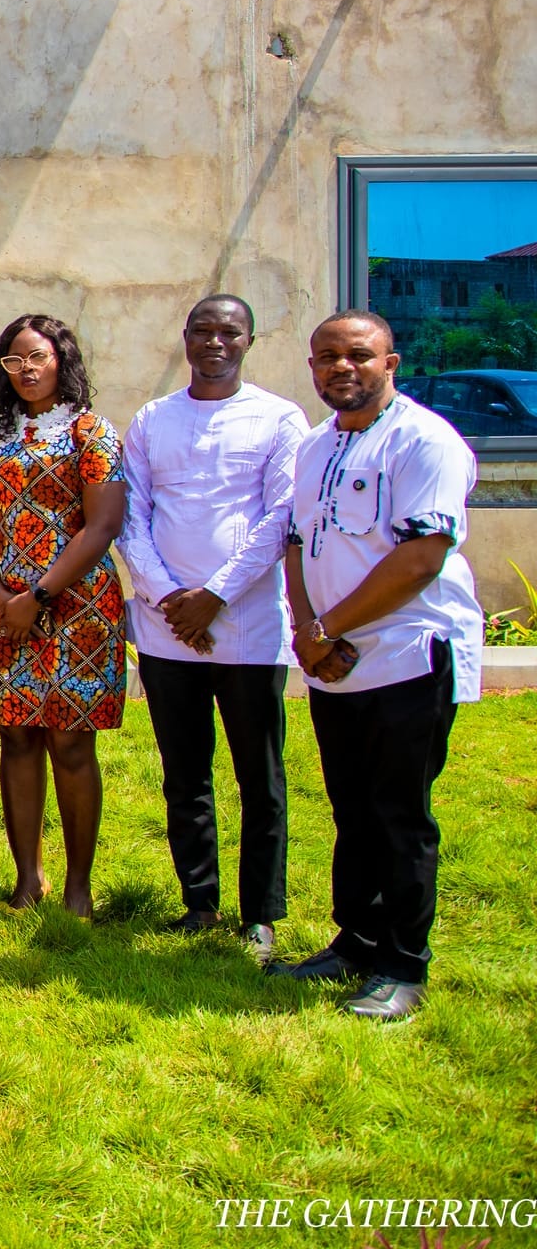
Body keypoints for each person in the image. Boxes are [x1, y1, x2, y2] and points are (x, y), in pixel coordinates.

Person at [273, 311, 482, 1022]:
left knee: (400, 816)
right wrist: (307, 630)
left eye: (358, 355)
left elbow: (421, 557)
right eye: (326, 356)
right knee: (352, 811)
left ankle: (402, 965)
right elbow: (297, 540)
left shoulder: (426, 443)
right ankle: (355, 942)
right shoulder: (314, 447)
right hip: (335, 663)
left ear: (392, 360)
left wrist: (329, 627)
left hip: (408, 657)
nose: (341, 368)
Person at [120, 295, 306, 963]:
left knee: (260, 778)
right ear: (186, 338)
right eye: (204, 331)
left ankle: (260, 913)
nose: (216, 343)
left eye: (230, 332)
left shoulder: (280, 418)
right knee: (184, 774)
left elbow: (280, 516)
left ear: (250, 340)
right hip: (169, 628)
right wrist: (170, 595)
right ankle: (199, 902)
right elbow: (131, 515)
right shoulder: (153, 420)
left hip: (248, 626)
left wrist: (217, 595)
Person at [0, 314, 127, 919]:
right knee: (16, 738)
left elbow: (103, 524)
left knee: (71, 742)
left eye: (37, 357)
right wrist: (1, 594)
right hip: (8, 608)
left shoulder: (92, 432)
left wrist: (40, 592)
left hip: (78, 605)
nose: (26, 369)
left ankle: (78, 887)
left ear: (62, 359)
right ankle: (26, 879)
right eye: (13, 360)